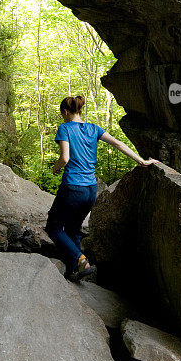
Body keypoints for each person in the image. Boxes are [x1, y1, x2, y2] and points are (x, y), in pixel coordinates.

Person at [45, 94, 156, 282]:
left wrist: (55, 168)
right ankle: (74, 271)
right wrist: (141, 161)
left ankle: (81, 260)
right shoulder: (94, 128)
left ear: (65, 112)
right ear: (80, 110)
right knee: (74, 229)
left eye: (62, 114)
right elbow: (119, 144)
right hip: (91, 189)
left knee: (54, 227)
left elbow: (65, 158)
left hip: (73, 187)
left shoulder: (65, 128)